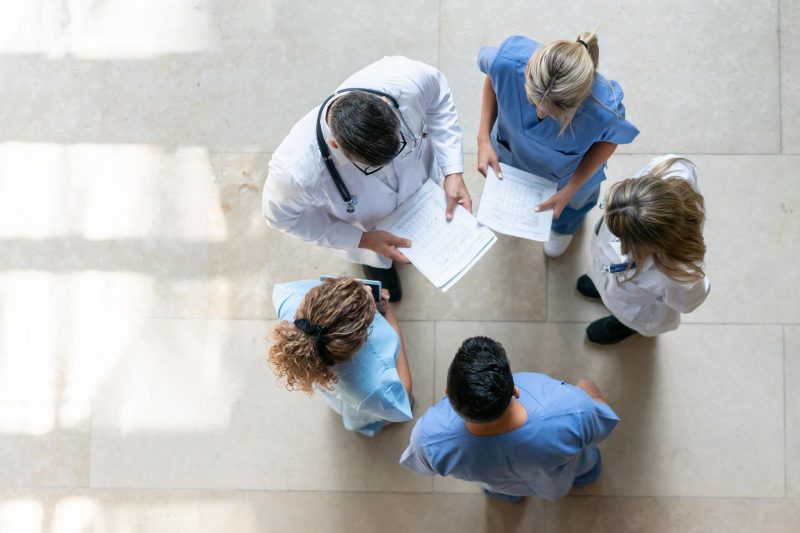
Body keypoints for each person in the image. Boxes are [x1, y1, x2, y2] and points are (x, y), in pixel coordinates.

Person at [263, 57, 472, 302]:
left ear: (386, 104)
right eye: (371, 167)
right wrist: (361, 239)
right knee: (380, 266)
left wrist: (452, 170)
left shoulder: (405, 80)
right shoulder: (294, 172)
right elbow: (281, 218)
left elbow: (439, 97)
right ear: (335, 145)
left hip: (422, 192)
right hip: (368, 228)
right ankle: (380, 266)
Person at [476, 31, 639, 257]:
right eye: (532, 101)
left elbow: (611, 139)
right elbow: (494, 77)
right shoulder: (508, 62)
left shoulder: (603, 110)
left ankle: (563, 229)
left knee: (571, 208)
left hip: (570, 179)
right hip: (511, 153)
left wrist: (570, 189)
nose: (539, 112)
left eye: (552, 113)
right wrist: (483, 138)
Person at [400, 336, 619, 502]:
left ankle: (510, 499)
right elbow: (603, 422)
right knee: (584, 469)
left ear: (448, 392)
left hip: (500, 485)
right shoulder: (572, 410)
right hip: (555, 482)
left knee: (504, 493)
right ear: (514, 390)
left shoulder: (428, 439)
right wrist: (587, 390)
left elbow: (421, 465)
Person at [577, 154, 710, 344]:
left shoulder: (681, 275)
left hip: (634, 307)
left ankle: (623, 326)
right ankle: (602, 286)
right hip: (609, 269)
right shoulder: (670, 169)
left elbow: (686, 303)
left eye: (621, 239)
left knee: (627, 312)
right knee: (604, 273)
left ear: (647, 245)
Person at [269, 276, 413, 436]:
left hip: (334, 388)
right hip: (360, 400)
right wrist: (391, 320)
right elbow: (402, 395)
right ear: (359, 343)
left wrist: (351, 294)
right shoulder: (373, 387)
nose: (369, 288)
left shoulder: (289, 297)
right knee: (364, 415)